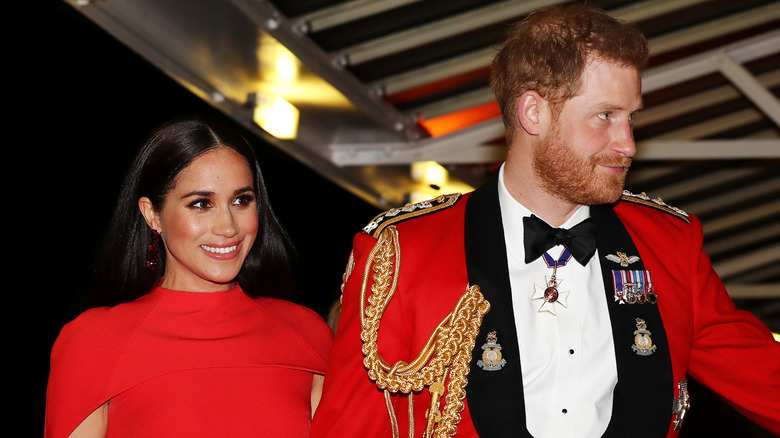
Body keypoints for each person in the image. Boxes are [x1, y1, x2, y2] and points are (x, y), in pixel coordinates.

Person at [310, 4, 780, 438]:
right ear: (533, 112)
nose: (629, 143)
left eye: (631, 118)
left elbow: (764, 379)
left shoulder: (670, 245)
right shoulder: (404, 251)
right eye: (605, 116)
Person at [45, 117, 334, 437]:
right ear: (152, 214)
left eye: (241, 200)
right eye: (201, 204)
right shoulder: (95, 341)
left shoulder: (308, 335)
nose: (228, 227)